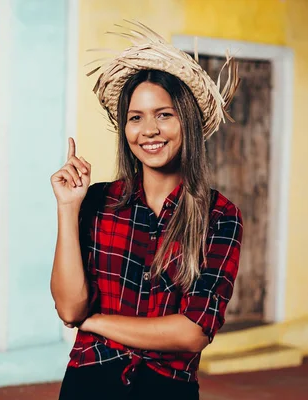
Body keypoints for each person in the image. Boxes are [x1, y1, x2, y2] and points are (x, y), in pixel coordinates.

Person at [50, 21, 243, 400]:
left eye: (164, 115)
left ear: (186, 121)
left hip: (167, 390)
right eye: (136, 117)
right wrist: (68, 208)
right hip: (89, 384)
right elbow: (70, 307)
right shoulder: (97, 201)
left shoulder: (220, 217)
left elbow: (192, 334)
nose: (149, 130)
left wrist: (95, 322)